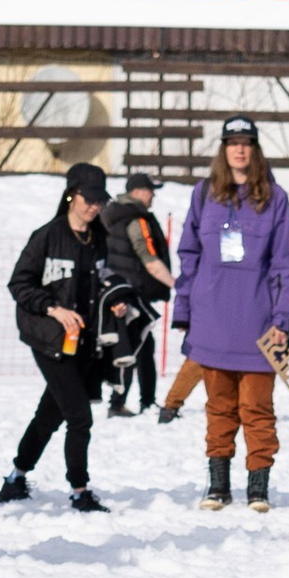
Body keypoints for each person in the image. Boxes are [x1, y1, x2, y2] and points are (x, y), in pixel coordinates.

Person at [169, 116, 289, 513]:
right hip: (211, 325)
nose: (239, 149)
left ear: (255, 150)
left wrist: (282, 321)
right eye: (232, 142)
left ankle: (257, 489)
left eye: (246, 142)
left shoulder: (275, 199)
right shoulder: (203, 194)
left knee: (258, 411)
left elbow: (286, 265)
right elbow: (188, 256)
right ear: (223, 150)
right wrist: (184, 311)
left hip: (259, 327)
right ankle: (218, 487)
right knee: (218, 410)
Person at [0, 162, 110, 511]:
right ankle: (79, 490)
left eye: (99, 200)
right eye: (88, 199)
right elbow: (19, 284)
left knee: (49, 414)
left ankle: (16, 476)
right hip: (48, 339)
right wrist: (53, 309)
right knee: (79, 417)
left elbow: (107, 282)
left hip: (84, 344)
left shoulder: (99, 238)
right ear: (71, 195)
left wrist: (116, 302)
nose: (94, 206)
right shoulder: (47, 235)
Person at [100, 176, 172, 417]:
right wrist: (175, 284)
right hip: (133, 292)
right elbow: (148, 256)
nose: (153, 196)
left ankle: (126, 401)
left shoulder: (110, 214)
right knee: (137, 345)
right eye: (151, 191)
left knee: (131, 345)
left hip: (115, 290)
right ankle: (132, 402)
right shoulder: (135, 219)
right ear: (139, 191)